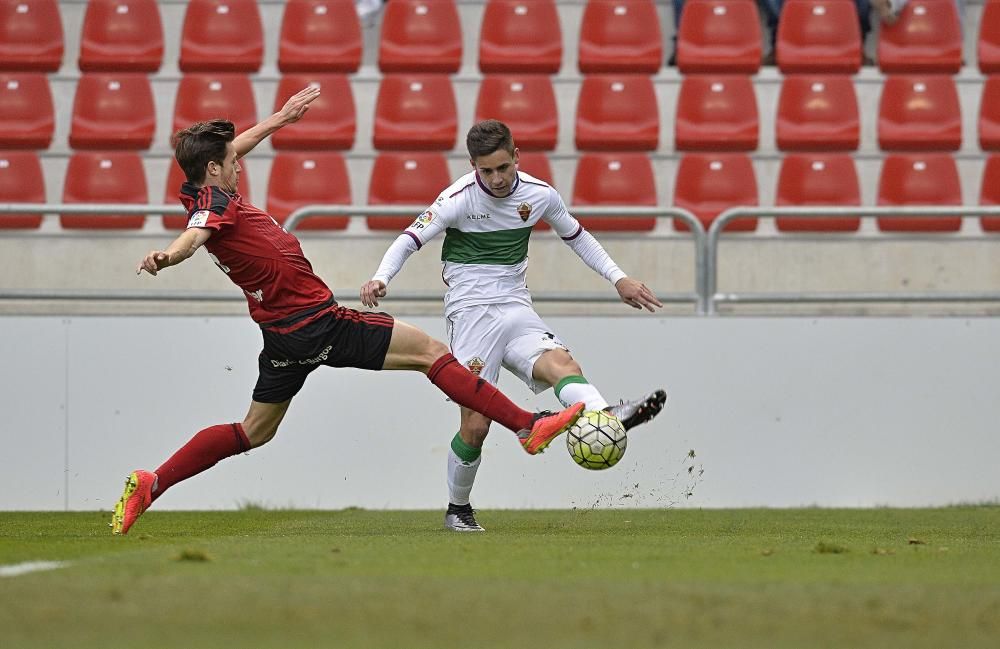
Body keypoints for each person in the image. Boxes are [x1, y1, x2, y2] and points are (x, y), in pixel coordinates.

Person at [110, 90, 584, 536]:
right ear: (214, 169)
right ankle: (526, 425)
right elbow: (195, 235)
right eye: (233, 162)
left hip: (281, 336)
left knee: (253, 431)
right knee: (431, 353)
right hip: (317, 323)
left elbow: (232, 154)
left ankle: (154, 483)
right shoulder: (212, 207)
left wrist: (280, 119)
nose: (240, 166)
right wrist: (167, 256)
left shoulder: (203, 188)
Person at [360, 120, 668, 533]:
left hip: (516, 308)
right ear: (473, 167)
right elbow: (408, 239)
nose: (497, 178)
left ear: (516, 156)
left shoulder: (540, 195)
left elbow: (578, 237)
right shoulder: (456, 199)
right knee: (476, 425)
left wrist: (619, 278)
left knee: (563, 365)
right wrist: (382, 277)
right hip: (471, 315)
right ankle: (458, 508)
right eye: (486, 171)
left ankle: (604, 414)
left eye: (503, 167)